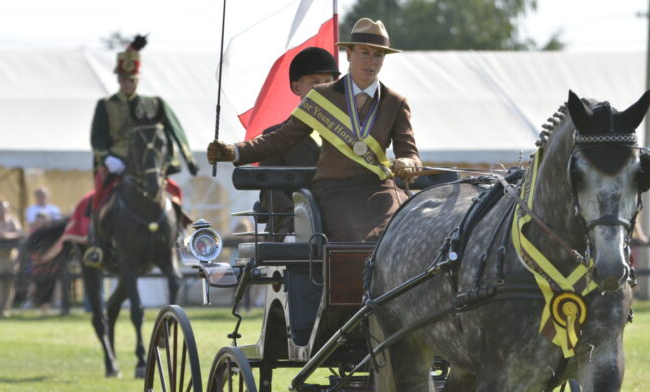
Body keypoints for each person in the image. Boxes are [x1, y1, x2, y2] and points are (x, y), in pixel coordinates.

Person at [207, 18, 422, 242]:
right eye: (364, 52)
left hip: (379, 189)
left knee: (407, 232)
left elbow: (410, 153)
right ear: (349, 54)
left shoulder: (395, 102)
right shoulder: (321, 96)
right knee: (354, 239)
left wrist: (408, 163)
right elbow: (281, 139)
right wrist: (235, 151)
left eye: (378, 55)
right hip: (336, 191)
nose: (371, 61)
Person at [81, 34, 198, 266]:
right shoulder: (105, 105)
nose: (127, 83)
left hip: (147, 164)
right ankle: (99, 245)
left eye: (131, 79)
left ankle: (177, 239)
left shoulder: (153, 103)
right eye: (124, 79)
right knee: (99, 199)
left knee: (173, 195)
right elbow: (97, 139)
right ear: (118, 79)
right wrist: (108, 159)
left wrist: (188, 158)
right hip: (117, 163)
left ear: (137, 79)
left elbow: (174, 128)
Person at [257, 47, 340, 240]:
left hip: (342, 226)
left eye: (329, 82)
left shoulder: (349, 135)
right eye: (314, 82)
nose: (323, 88)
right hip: (291, 232)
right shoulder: (274, 136)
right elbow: (269, 192)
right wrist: (299, 219)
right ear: (296, 88)